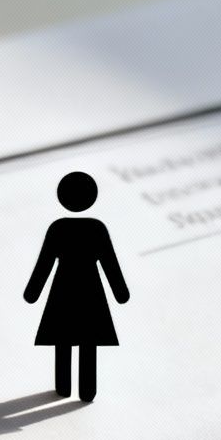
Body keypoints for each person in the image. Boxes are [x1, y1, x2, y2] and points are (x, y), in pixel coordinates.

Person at [23, 171, 128, 402]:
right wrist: (120, 292)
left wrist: (33, 292)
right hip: (90, 289)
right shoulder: (97, 228)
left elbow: (45, 263)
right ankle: (87, 390)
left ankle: (64, 387)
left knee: (64, 340)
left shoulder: (58, 228)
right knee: (87, 342)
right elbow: (109, 263)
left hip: (64, 288)